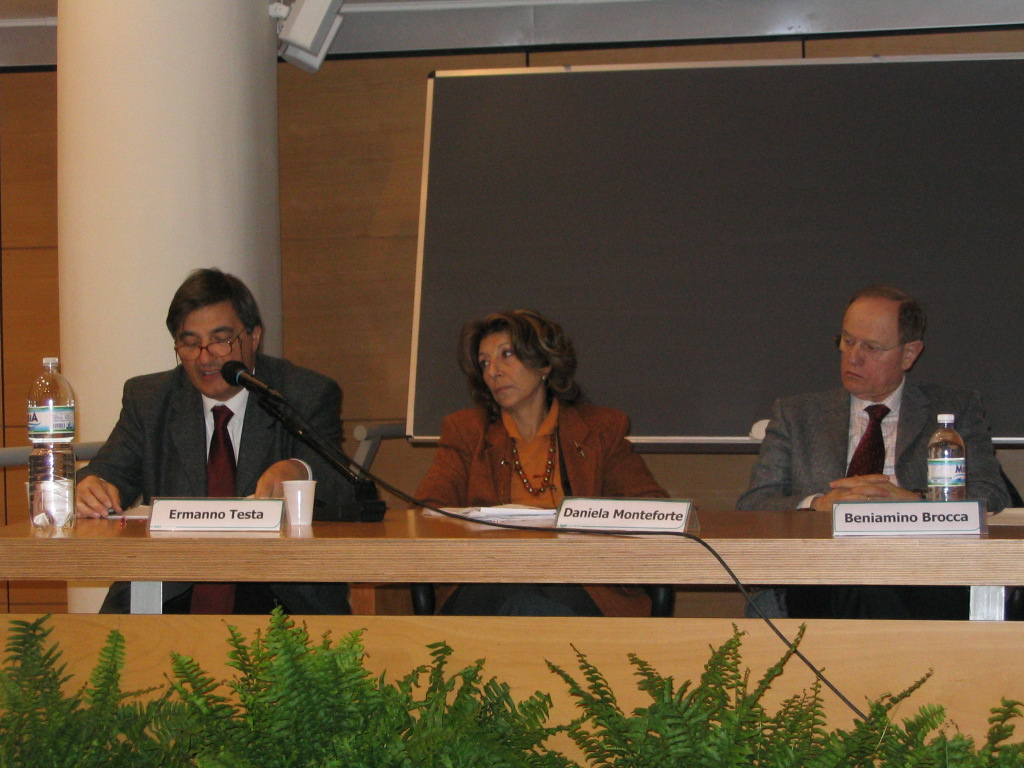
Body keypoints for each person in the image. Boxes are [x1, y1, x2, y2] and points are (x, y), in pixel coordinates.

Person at [76, 267, 355, 614]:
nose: (206, 357)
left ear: (254, 336)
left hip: (278, 596)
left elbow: (344, 487)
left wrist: (300, 472)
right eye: (190, 343)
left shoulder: (302, 393)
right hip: (167, 591)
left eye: (221, 340)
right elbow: (108, 472)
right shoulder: (150, 399)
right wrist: (91, 487)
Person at [738, 284, 1009, 619]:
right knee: (857, 584)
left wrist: (916, 504)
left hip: (923, 571)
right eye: (847, 341)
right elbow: (754, 504)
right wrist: (817, 505)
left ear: (909, 354)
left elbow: (990, 493)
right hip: (822, 572)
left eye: (871, 347)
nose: (853, 357)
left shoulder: (955, 409)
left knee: (875, 587)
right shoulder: (797, 414)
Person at [415, 309, 669, 616]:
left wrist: (588, 525)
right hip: (488, 576)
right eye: (484, 363)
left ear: (544, 364)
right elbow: (427, 513)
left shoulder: (600, 429)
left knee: (530, 606)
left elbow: (653, 508)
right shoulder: (466, 431)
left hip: (577, 578)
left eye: (506, 355)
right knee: (515, 598)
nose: (493, 371)